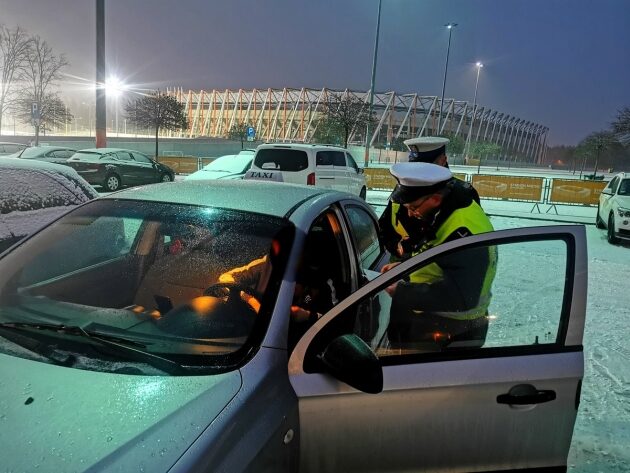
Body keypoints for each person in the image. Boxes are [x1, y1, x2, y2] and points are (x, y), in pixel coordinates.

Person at [381, 162, 496, 348]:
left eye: (413, 207)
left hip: (452, 331)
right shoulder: (445, 208)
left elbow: (461, 297)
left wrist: (402, 292)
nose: (410, 214)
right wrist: (407, 267)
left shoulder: (464, 232)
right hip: (435, 322)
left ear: (434, 199)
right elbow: (435, 251)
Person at [378, 136, 480, 261]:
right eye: (415, 167)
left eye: (426, 166)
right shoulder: (404, 189)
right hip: (398, 269)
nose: (418, 174)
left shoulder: (463, 195)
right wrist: (398, 248)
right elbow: (385, 226)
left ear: (443, 160)